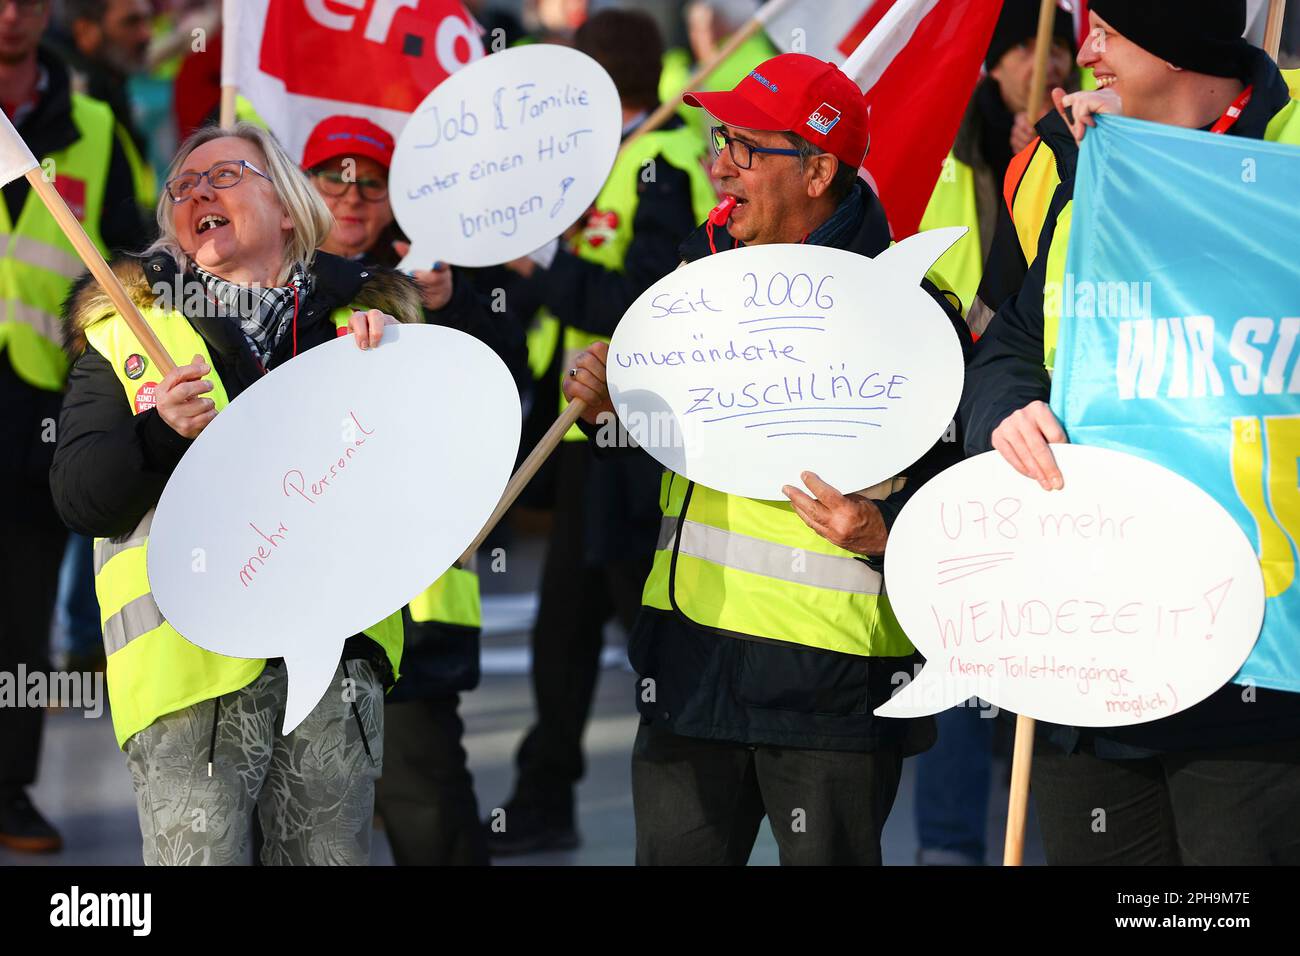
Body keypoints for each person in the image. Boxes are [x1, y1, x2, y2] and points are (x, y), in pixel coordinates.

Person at [563, 53, 971, 866]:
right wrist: (613, 407)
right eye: (723, 139)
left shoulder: (913, 316)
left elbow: (966, 494)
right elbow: (671, 451)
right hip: (687, 667)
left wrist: (887, 529)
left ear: (818, 168)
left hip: (833, 689)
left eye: (748, 147)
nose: (719, 163)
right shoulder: (696, 278)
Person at [960, 0, 1300, 864]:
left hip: (1260, 652)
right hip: (1092, 631)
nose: (1088, 49)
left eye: (1111, 27)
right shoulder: (1078, 160)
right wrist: (1004, 414)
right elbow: (1008, 343)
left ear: (1182, 42)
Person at [49, 121, 418, 865]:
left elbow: (427, 485)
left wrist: (402, 384)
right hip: (192, 676)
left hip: (333, 666)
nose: (196, 193)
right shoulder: (125, 332)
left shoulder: (367, 327)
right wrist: (159, 436)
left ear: (287, 206)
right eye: (182, 188)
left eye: (223, 176)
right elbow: (81, 497)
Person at [486, 8, 719, 856]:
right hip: (581, 433)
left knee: (642, 622)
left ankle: (696, 792)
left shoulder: (663, 159)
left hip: (634, 433)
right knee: (566, 629)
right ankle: (543, 797)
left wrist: (543, 264)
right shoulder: (604, 158)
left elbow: (638, 307)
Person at [300, 113, 526, 866]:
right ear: (303, 186)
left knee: (425, 803)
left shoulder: (448, 277)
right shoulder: (266, 283)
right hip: (300, 591)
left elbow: (501, 399)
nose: (353, 194)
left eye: (371, 181)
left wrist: (454, 305)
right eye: (335, 176)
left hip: (415, 602)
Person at [911, 0, 1077, 867]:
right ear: (993, 66)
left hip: (1039, 437)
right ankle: (947, 846)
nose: (1047, 70)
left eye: (1055, 57)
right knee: (963, 653)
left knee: (1043, 646)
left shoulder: (1077, 148)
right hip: (954, 435)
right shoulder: (951, 151)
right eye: (1026, 55)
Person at [0, 0, 147, 854]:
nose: (12, 15)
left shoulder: (94, 125)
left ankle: (10, 788)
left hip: (40, 411)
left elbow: (130, 264)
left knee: (22, 621)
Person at [919, 0, 1077, 324]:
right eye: (1023, 47)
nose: (1046, 63)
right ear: (994, 65)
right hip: (947, 329)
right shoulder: (943, 140)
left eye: (1056, 46)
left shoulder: (1097, 130)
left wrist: (1056, 151)